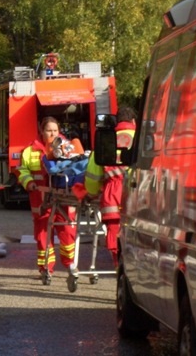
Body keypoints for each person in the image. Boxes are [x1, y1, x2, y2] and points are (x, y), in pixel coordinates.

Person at [17, 116, 77, 285]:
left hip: (64, 199)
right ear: (41, 132)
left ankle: (70, 265)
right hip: (41, 200)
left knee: (67, 231)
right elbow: (22, 170)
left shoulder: (68, 148)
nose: (52, 133)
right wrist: (28, 183)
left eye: (55, 130)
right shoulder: (30, 151)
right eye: (48, 130)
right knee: (43, 235)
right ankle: (46, 269)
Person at [84, 106, 136, 267]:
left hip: (114, 195)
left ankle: (119, 268)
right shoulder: (144, 138)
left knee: (115, 233)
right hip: (139, 193)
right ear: (134, 121)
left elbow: (93, 177)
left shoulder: (106, 139)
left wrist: (92, 193)